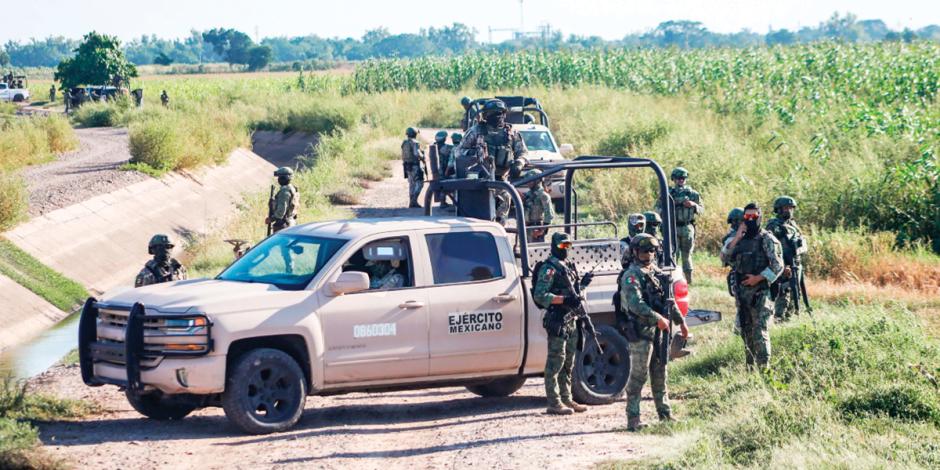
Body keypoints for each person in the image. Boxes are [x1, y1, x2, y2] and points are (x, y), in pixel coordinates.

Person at [620, 234, 689, 430]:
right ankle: (633, 419)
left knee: (660, 374)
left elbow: (669, 300)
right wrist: (657, 318)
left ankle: (665, 414)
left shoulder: (655, 272)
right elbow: (635, 304)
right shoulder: (631, 275)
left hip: (659, 332)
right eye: (644, 251)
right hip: (641, 332)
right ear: (635, 252)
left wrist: (681, 323)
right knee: (638, 377)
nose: (648, 254)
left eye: (651, 250)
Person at [533, 232, 591, 415]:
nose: (565, 249)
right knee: (555, 362)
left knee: (569, 362)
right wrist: (563, 299)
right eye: (561, 246)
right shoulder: (549, 268)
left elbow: (574, 294)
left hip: (571, 319)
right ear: (554, 246)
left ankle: (566, 398)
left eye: (568, 246)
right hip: (558, 319)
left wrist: (583, 286)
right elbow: (540, 295)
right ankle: (554, 402)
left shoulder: (568, 267)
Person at [721, 203, 784, 369]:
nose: (750, 220)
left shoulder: (767, 239)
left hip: (760, 292)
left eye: (753, 217)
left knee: (760, 331)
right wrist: (737, 238)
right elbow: (723, 258)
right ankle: (750, 368)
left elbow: (778, 266)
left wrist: (758, 278)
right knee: (745, 330)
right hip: (742, 293)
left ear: (760, 217)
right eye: (747, 217)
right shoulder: (737, 238)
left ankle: (764, 370)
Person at [457, 99, 528, 223]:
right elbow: (459, 151)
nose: (496, 117)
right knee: (480, 219)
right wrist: (475, 154)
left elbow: (523, 152)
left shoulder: (511, 133)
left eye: (499, 113)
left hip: (502, 182)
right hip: (482, 181)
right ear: (485, 115)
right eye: (492, 113)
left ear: (504, 114)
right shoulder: (476, 131)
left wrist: (519, 163)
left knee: (501, 220)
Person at [657, 167, 703, 284]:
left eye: (682, 178)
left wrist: (693, 205)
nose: (680, 180)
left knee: (687, 256)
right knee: (673, 255)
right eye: (678, 178)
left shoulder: (693, 194)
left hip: (687, 227)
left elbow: (701, 210)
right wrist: (669, 205)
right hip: (672, 227)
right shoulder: (667, 193)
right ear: (674, 179)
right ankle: (675, 281)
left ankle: (689, 281)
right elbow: (658, 209)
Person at [766, 196, 808, 321]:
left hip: (796, 264)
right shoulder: (773, 226)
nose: (789, 211)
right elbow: (770, 249)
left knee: (796, 294)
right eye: (785, 208)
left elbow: (802, 245)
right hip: (783, 266)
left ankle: (789, 320)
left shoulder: (793, 225)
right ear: (778, 210)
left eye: (791, 208)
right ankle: (779, 320)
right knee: (783, 295)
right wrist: (782, 266)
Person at [522, 169, 554, 242]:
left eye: (530, 180)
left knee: (535, 251)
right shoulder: (528, 194)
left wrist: (541, 231)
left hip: (536, 229)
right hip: (526, 228)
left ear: (537, 181)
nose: (528, 182)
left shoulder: (543, 195)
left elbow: (549, 215)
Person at [266, 167, 299, 233]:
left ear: (284, 178)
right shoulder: (292, 188)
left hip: (283, 225)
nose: (278, 179)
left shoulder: (284, 192)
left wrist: (271, 219)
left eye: (280, 178)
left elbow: (281, 210)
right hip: (290, 222)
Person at [401, 127, 426, 208]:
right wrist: (423, 156)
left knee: (411, 184)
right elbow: (416, 154)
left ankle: (411, 202)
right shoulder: (415, 143)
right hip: (415, 165)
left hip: (407, 165)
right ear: (415, 134)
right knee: (420, 183)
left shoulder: (404, 142)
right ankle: (414, 201)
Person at [432, 130, 454, 209]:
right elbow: (454, 149)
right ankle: (443, 202)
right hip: (444, 169)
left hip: (439, 169)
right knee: (446, 185)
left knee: (442, 186)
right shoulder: (445, 148)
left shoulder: (435, 146)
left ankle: (443, 202)